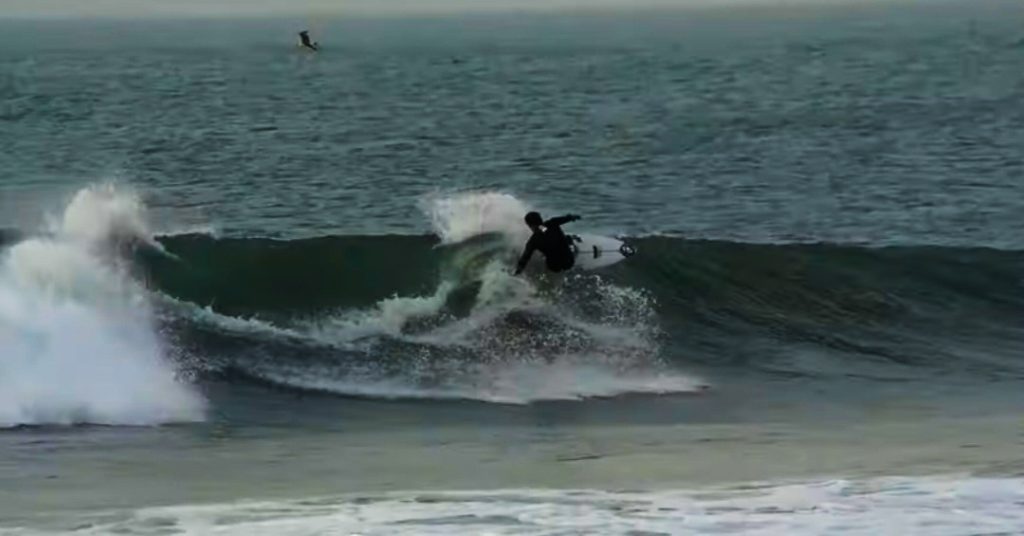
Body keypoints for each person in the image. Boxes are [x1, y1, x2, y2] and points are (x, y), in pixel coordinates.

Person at [514, 212, 582, 275]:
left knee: (547, 253)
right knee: (567, 239)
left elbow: (525, 258)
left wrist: (517, 271)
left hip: (554, 268)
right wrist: (573, 217)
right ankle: (574, 245)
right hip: (568, 262)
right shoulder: (552, 223)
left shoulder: (533, 241)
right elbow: (567, 218)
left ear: (530, 225)